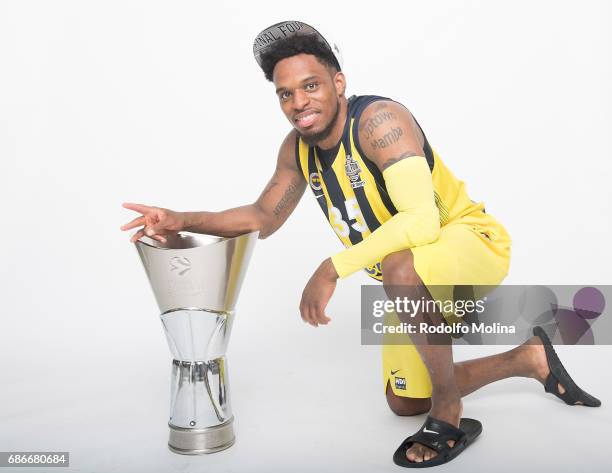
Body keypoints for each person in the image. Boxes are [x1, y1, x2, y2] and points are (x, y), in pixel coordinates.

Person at [121, 21, 601, 468]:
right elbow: (262, 217)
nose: (298, 102)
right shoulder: (296, 149)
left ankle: (450, 410)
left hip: (469, 242)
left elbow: (421, 220)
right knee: (405, 401)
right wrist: (181, 218)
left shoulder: (378, 123)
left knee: (398, 267)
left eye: (310, 85)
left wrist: (332, 268)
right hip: (408, 276)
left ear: (338, 82)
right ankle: (529, 359)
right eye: (285, 93)